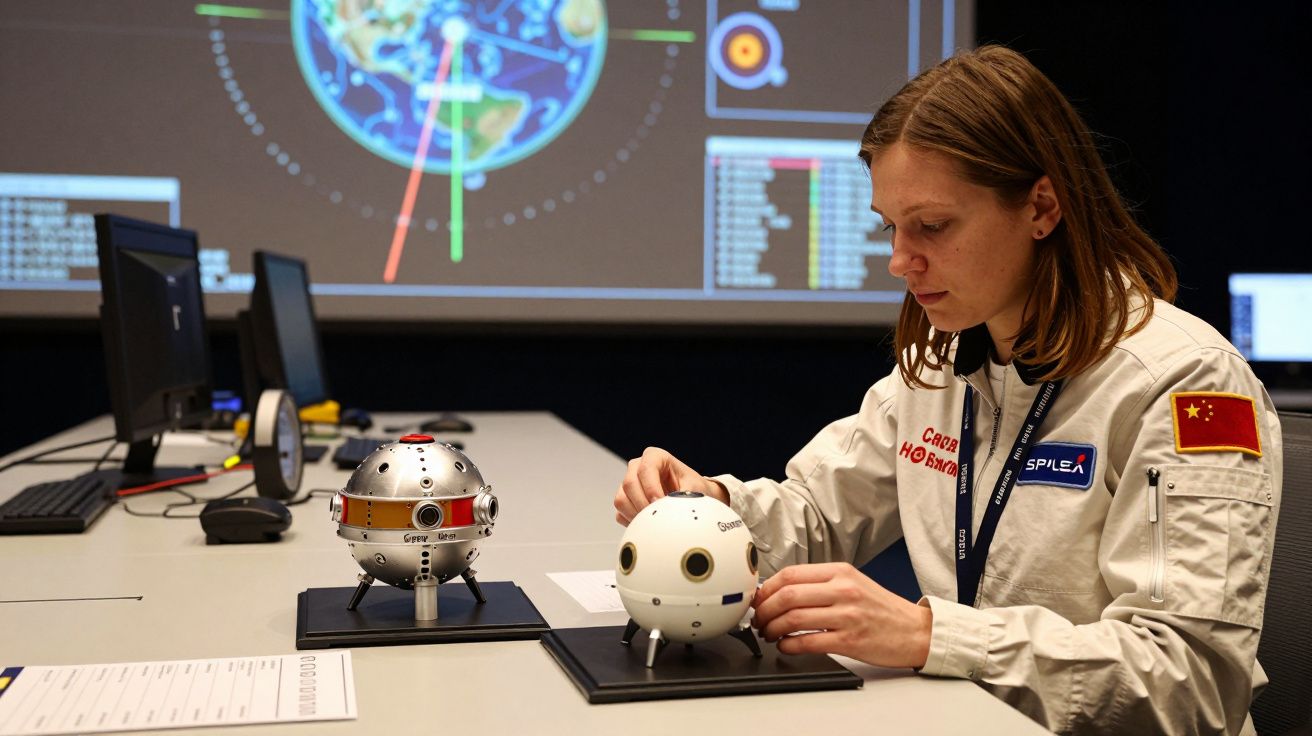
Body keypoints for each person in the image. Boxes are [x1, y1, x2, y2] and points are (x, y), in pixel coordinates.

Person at [613, 45, 1282, 735]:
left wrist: (930, 637)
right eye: (890, 228)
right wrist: (710, 507)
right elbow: (817, 515)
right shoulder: (947, 354)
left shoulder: (1188, 383)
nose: (901, 260)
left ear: (1042, 207)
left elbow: (1193, 677)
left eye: (932, 226)